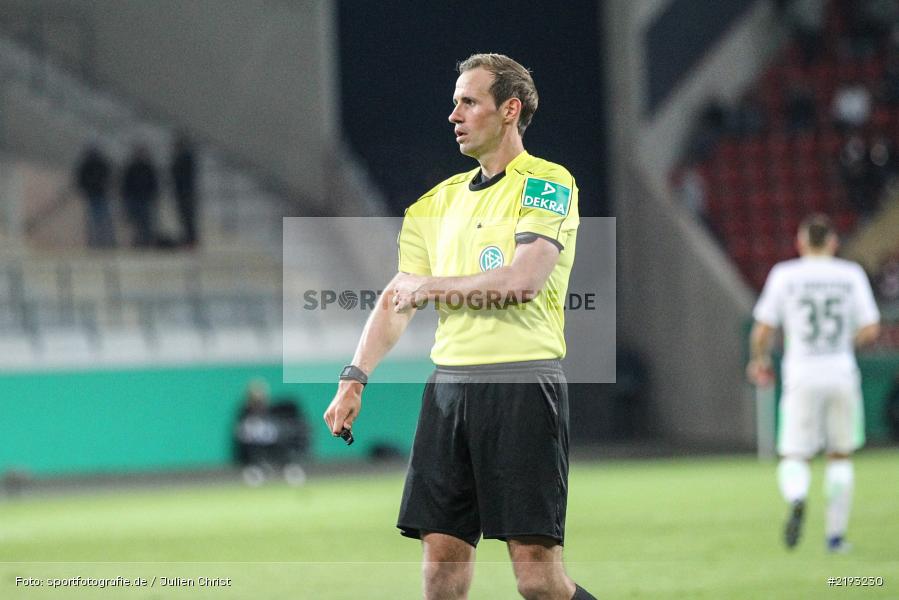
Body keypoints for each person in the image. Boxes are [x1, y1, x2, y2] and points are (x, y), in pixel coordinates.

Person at [323, 53, 596, 600]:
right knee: (439, 577)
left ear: (509, 110)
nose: (454, 114)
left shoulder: (546, 182)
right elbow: (398, 299)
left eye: (468, 102)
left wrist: (431, 287)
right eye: (454, 103)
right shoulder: (432, 204)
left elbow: (524, 279)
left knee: (538, 580)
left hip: (521, 384)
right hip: (449, 390)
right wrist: (354, 376)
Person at [746, 214, 881, 553]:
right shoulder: (850, 275)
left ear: (801, 243)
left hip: (801, 374)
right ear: (834, 242)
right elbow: (870, 329)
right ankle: (835, 538)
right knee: (840, 456)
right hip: (840, 372)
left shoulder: (785, 275)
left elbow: (762, 330)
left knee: (795, 454)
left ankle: (797, 496)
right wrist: (841, 344)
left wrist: (759, 361)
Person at [75, 145, 115, 248]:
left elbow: (108, 178)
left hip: (100, 195)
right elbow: (81, 180)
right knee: (97, 221)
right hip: (93, 195)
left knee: (103, 220)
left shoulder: (100, 165)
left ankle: (106, 243)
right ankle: (98, 243)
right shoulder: (89, 165)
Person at [121, 145, 160, 248]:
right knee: (136, 222)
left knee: (147, 222)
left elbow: (154, 183)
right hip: (134, 198)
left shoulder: (148, 167)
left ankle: (147, 242)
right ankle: (138, 242)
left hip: (146, 198)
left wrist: (154, 196)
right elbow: (125, 184)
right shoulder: (131, 168)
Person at [170, 134, 199, 248]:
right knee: (185, 217)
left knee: (188, 217)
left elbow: (181, 174)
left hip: (185, 191)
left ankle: (191, 240)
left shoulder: (185, 157)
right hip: (182, 191)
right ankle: (189, 239)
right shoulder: (182, 156)